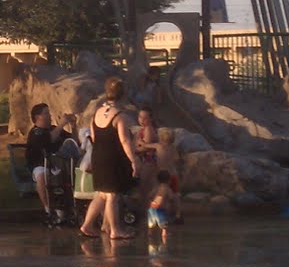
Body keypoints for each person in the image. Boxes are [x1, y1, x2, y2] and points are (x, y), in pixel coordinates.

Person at [78, 76, 141, 241]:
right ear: (122, 95)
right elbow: (125, 141)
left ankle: (87, 224)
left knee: (101, 194)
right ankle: (115, 230)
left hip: (98, 156)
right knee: (112, 195)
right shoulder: (120, 116)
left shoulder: (96, 113)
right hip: (112, 159)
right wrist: (133, 160)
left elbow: (93, 136)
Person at [25, 104, 79, 220]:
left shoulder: (54, 129)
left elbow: (73, 141)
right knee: (42, 176)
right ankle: (48, 210)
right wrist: (61, 124)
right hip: (40, 164)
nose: (49, 115)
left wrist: (73, 126)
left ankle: (72, 208)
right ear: (38, 117)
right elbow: (50, 139)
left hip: (59, 164)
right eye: (46, 113)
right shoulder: (36, 132)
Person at [146, 170, 180, 238]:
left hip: (152, 208)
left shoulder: (156, 188)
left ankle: (150, 233)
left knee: (151, 223)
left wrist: (151, 202)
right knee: (163, 223)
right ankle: (164, 233)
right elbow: (171, 197)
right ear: (168, 181)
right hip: (161, 208)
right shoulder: (167, 189)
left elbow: (150, 195)